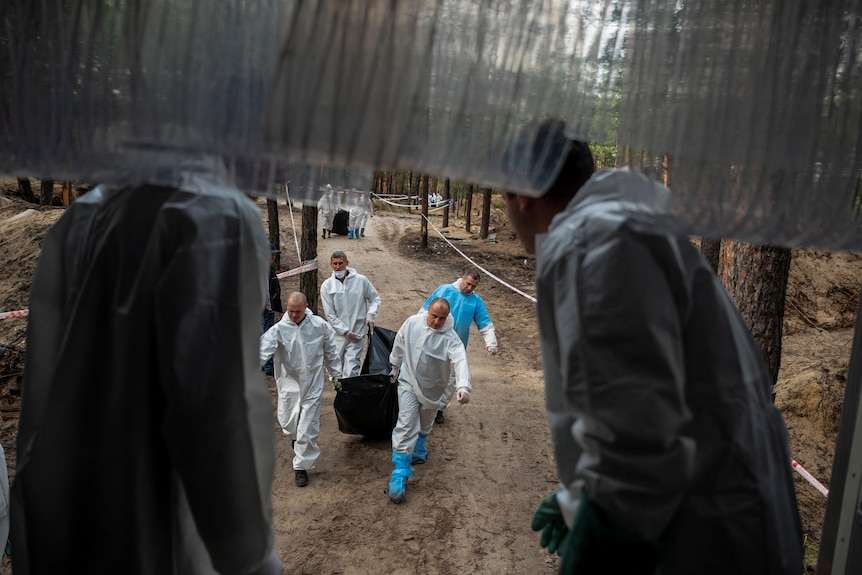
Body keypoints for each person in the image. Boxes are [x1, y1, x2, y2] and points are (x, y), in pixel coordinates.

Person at [502, 119, 803, 573]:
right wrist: (577, 499)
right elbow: (635, 395)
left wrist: (602, 533)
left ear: (522, 194)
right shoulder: (623, 228)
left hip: (704, 531)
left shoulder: (592, 244)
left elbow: (635, 434)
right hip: (725, 503)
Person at [10, 158, 282, 574]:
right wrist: (250, 556)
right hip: (153, 516)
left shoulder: (86, 214)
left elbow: (47, 366)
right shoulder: (217, 219)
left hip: (62, 497)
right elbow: (212, 413)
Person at [385, 298, 471, 504]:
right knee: (405, 424)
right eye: (434, 316)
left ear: (447, 317)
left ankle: (420, 446)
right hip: (408, 381)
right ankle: (400, 474)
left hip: (434, 388)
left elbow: (460, 360)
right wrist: (395, 365)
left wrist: (463, 385)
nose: (436, 322)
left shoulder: (451, 338)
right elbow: (400, 342)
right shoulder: (413, 323)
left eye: (441, 318)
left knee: (425, 420)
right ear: (428, 312)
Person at [260, 291, 342, 487]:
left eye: (297, 311)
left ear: (306, 308)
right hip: (289, 383)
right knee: (288, 423)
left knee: (308, 426)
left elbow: (331, 350)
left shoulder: (319, 326)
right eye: (290, 311)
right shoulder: (279, 329)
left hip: (313, 382)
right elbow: (262, 350)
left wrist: (335, 375)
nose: (293, 315)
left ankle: (301, 466)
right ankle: (296, 439)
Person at [422, 266, 498, 424]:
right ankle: (422, 403)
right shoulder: (444, 290)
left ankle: (439, 409)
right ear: (462, 279)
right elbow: (424, 311)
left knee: (450, 378)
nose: (469, 288)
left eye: (474, 286)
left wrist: (490, 342)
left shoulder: (476, 301)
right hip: (434, 341)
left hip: (456, 346)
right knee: (429, 372)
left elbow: (484, 322)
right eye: (468, 284)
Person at [319, 250, 382, 377]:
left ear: (347, 263)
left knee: (352, 367)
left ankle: (349, 394)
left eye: (340, 263)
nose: (338, 267)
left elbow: (375, 298)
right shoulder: (327, 286)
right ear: (331, 264)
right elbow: (330, 314)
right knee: (335, 368)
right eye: (335, 264)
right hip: (337, 335)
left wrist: (370, 314)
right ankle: (340, 392)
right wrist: (345, 331)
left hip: (357, 331)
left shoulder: (361, 281)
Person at [262, 242, 283, 376]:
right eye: (272, 255)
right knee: (267, 338)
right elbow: (266, 291)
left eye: (275, 255)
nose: (274, 257)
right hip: (264, 310)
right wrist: (270, 307)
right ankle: (268, 367)